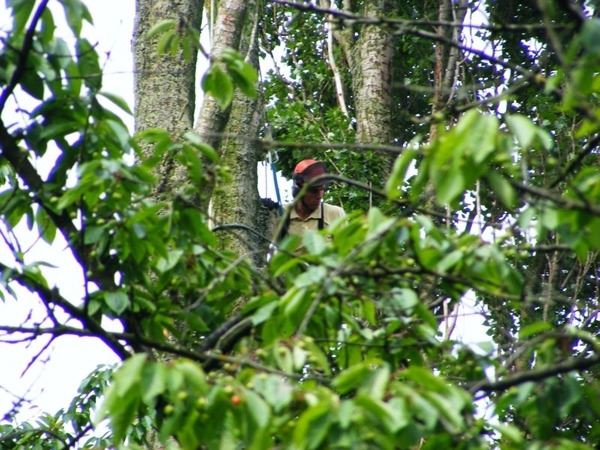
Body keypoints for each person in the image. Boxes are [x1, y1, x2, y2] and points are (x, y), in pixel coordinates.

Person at [276, 159, 346, 242]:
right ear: (299, 191)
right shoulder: (281, 213)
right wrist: (266, 210)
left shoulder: (334, 214)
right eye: (314, 191)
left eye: (322, 189)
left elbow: (347, 250)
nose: (319, 196)